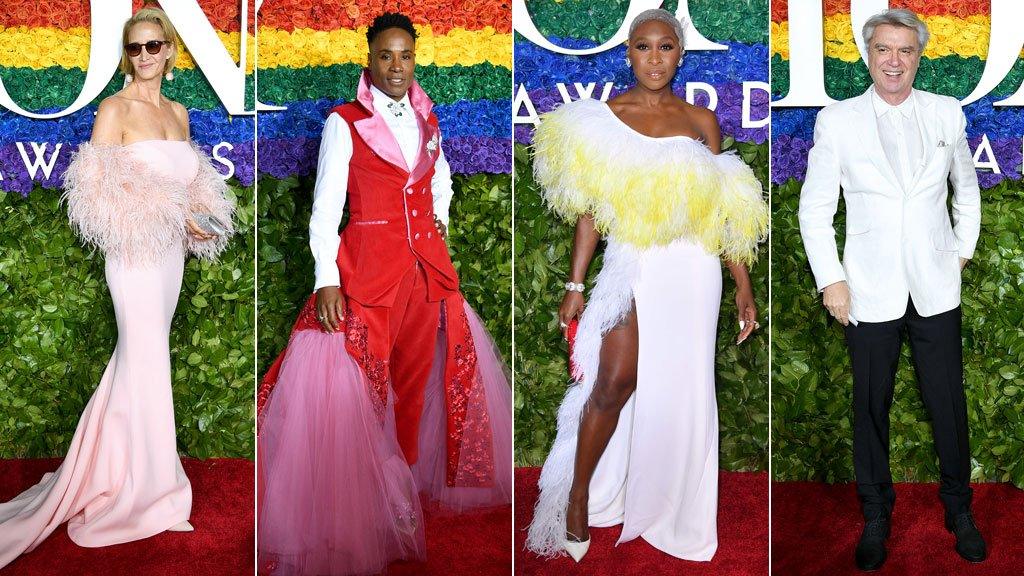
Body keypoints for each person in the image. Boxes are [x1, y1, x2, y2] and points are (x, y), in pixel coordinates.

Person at [255, 12, 512, 576]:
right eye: (386, 56)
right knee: (364, 392)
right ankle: (365, 501)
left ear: (415, 60)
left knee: (413, 387)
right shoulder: (343, 122)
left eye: (406, 56)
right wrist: (327, 277)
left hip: (425, 276)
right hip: (367, 275)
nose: (397, 66)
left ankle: (399, 499)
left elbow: (438, 177)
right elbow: (326, 207)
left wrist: (437, 219)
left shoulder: (427, 115)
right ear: (368, 61)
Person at [524, 9, 768, 563]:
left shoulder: (703, 122)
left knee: (684, 389)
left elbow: (723, 213)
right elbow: (589, 213)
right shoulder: (604, 119)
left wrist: (743, 286)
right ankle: (580, 496)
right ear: (627, 53)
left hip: (694, 268)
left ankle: (666, 507)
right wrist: (575, 283)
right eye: (642, 47)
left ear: (680, 54)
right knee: (613, 380)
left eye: (664, 47)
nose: (653, 58)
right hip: (632, 265)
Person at [0, 7, 235, 569]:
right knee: (145, 358)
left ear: (171, 51)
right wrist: (170, 210)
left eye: (155, 46)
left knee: (139, 366)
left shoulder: (179, 113)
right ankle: (149, 490)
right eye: (136, 48)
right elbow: (95, 193)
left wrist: (196, 216)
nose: (146, 56)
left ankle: (121, 471)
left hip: (169, 259)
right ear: (126, 55)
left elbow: (191, 187)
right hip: (132, 258)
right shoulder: (114, 109)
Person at [798, 8, 984, 571]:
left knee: (947, 404)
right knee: (869, 408)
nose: (894, 61)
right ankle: (875, 514)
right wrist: (832, 278)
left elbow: (966, 190)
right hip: (867, 289)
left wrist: (960, 252)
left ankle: (960, 509)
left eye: (905, 50)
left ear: (918, 56)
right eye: (884, 49)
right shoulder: (838, 121)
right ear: (868, 53)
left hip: (935, 287)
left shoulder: (947, 113)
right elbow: (815, 209)